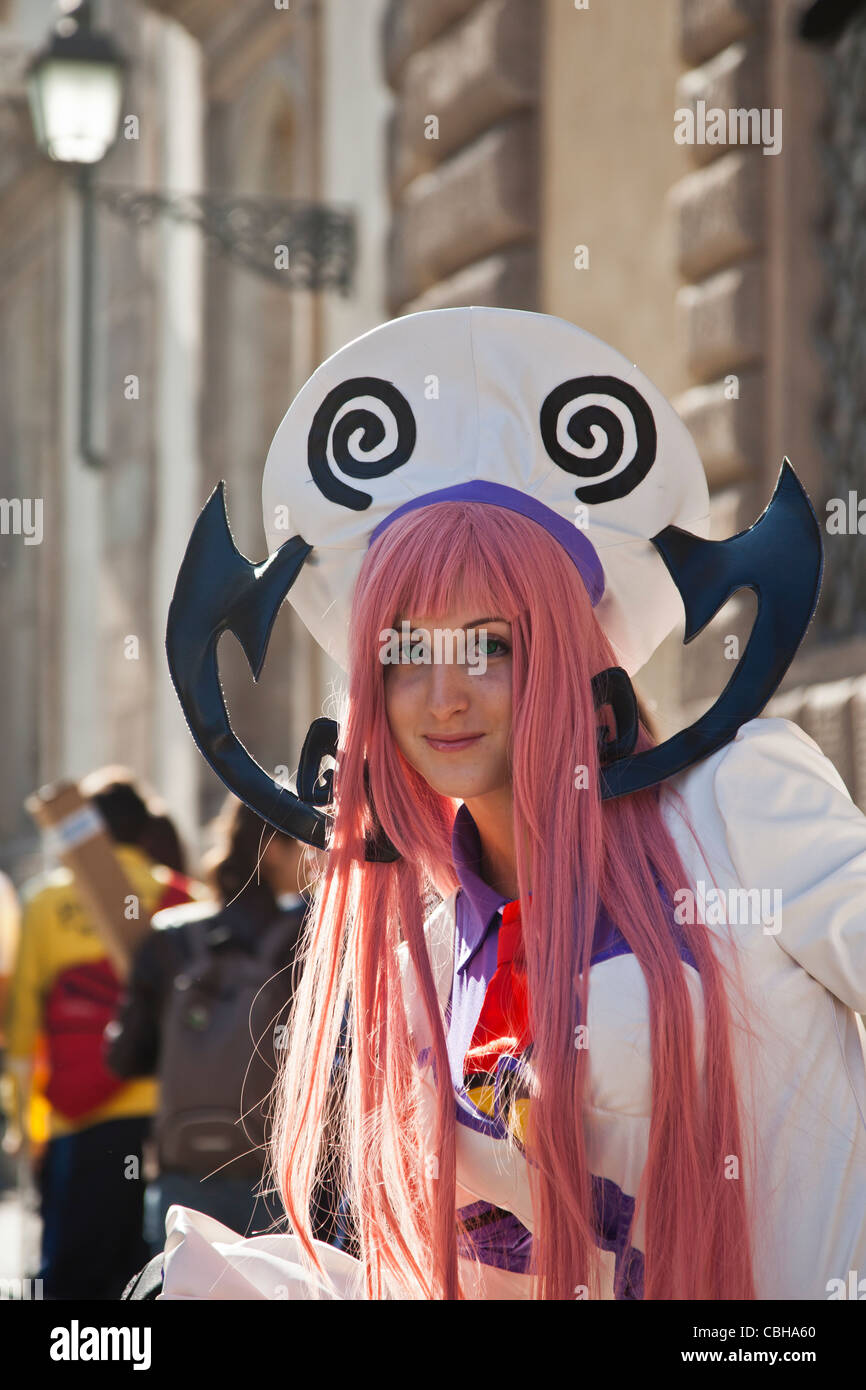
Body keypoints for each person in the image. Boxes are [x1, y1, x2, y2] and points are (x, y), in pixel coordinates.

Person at [136, 306, 866, 1300]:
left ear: (569, 655)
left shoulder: (739, 803)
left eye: (491, 644)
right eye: (406, 652)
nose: (444, 694)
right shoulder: (432, 951)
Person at [2, 767, 201, 1299]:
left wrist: (26, 1124)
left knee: (75, 1279)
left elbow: (23, 1028)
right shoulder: (183, 900)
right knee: (162, 1271)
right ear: (143, 830)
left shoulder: (46, 905)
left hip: (79, 1120)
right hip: (168, 1120)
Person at [106, 796, 330, 1253]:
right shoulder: (313, 934)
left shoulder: (171, 938)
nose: (316, 857)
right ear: (271, 851)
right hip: (279, 1183)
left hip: (185, 1183)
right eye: (305, 842)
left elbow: (124, 1057)